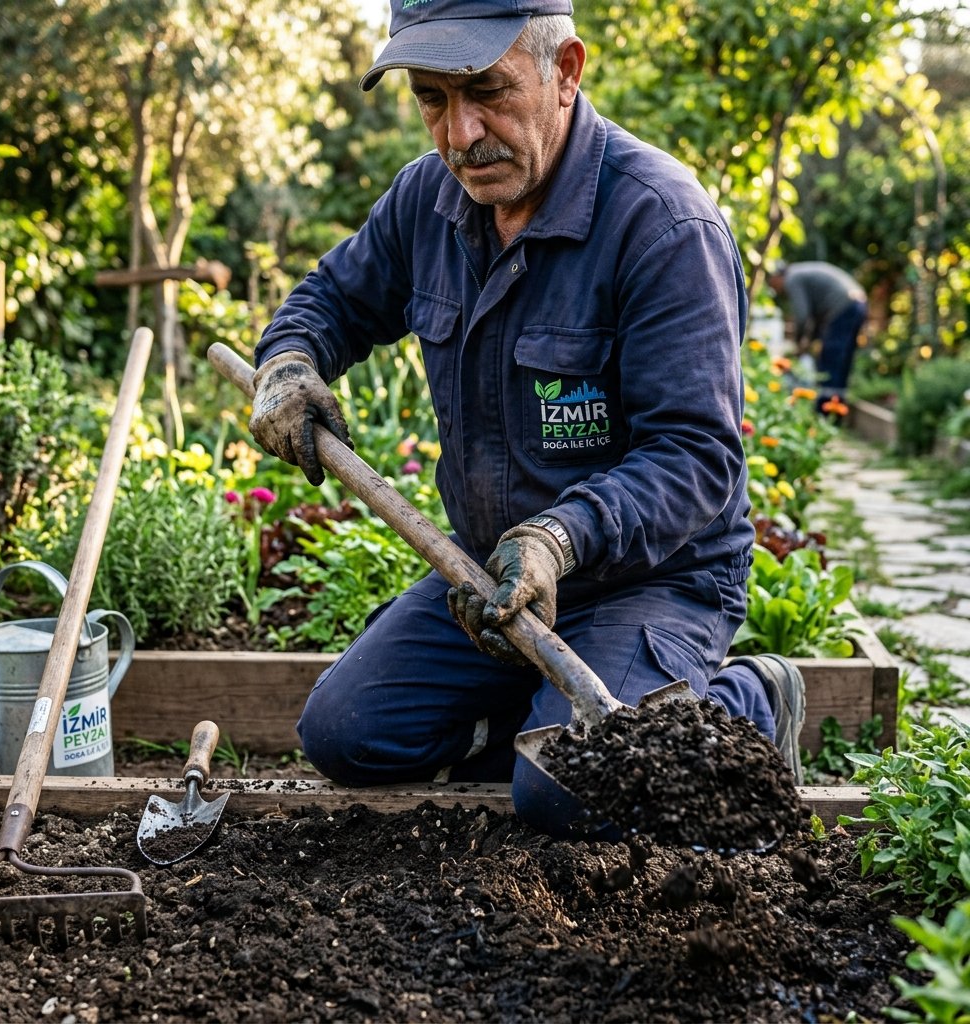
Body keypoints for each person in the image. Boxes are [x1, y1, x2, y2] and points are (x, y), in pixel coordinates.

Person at [248, 0, 807, 839]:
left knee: (564, 794)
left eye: (487, 91)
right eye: (432, 100)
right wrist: (288, 363)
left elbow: (695, 456)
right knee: (346, 735)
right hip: (492, 579)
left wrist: (559, 536)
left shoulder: (660, 222)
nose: (460, 133)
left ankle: (750, 699)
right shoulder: (427, 201)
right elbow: (329, 299)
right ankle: (531, 719)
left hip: (649, 578)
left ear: (567, 72)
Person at [767, 260, 868, 410]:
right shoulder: (800, 272)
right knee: (842, 361)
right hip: (858, 303)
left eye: (772, 284)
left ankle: (824, 411)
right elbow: (814, 318)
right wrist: (809, 340)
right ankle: (837, 408)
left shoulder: (792, 279)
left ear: (777, 277)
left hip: (843, 306)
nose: (774, 289)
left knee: (830, 360)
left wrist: (798, 343)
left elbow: (802, 316)